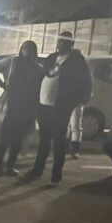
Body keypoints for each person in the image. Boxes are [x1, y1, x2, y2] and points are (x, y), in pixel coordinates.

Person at [24, 31, 92, 185]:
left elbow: (86, 84)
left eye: (65, 41)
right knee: (44, 141)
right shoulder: (51, 58)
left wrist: (75, 102)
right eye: (60, 40)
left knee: (59, 143)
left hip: (60, 107)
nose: (61, 43)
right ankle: (38, 170)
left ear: (71, 44)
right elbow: (42, 77)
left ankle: (56, 176)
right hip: (44, 105)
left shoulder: (77, 61)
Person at [0, 40, 44, 176]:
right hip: (10, 105)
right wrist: (2, 84)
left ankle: (10, 166)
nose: (28, 50)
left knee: (18, 138)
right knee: (4, 136)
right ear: (21, 49)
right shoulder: (12, 62)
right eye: (25, 47)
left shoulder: (38, 68)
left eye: (31, 48)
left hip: (27, 107)